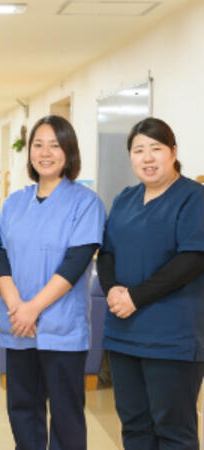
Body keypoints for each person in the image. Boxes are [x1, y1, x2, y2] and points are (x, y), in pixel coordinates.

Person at [0, 115, 106, 450]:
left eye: (55, 146)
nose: (45, 153)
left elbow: (75, 263)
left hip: (62, 329)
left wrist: (32, 309)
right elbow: (1, 257)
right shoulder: (14, 203)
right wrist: (17, 307)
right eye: (38, 145)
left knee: (66, 417)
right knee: (22, 412)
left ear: (68, 152)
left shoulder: (85, 202)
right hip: (19, 326)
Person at [97, 117, 204, 450]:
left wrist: (136, 297)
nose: (147, 158)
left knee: (173, 430)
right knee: (134, 426)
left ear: (173, 152)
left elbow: (192, 259)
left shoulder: (194, 198)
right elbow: (107, 253)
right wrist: (112, 289)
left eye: (155, 149)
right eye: (138, 150)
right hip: (124, 334)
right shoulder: (125, 199)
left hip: (172, 337)